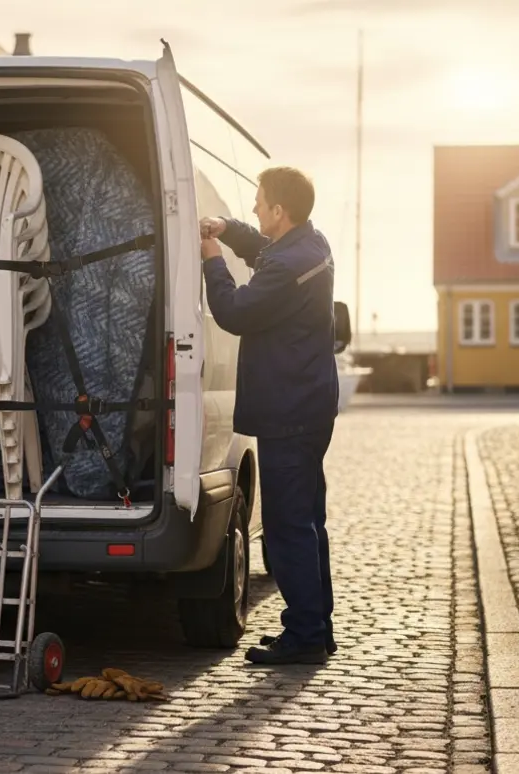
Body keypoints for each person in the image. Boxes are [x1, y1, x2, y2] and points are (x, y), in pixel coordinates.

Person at [199, 166, 340, 666]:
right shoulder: (309, 243)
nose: (255, 208)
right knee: (308, 522)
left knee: (285, 529)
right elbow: (265, 250)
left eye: (259, 203)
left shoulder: (287, 265)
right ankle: (317, 628)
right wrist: (227, 227)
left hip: (290, 411)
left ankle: (304, 635)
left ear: (280, 211)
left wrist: (211, 257)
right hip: (309, 406)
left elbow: (235, 312)